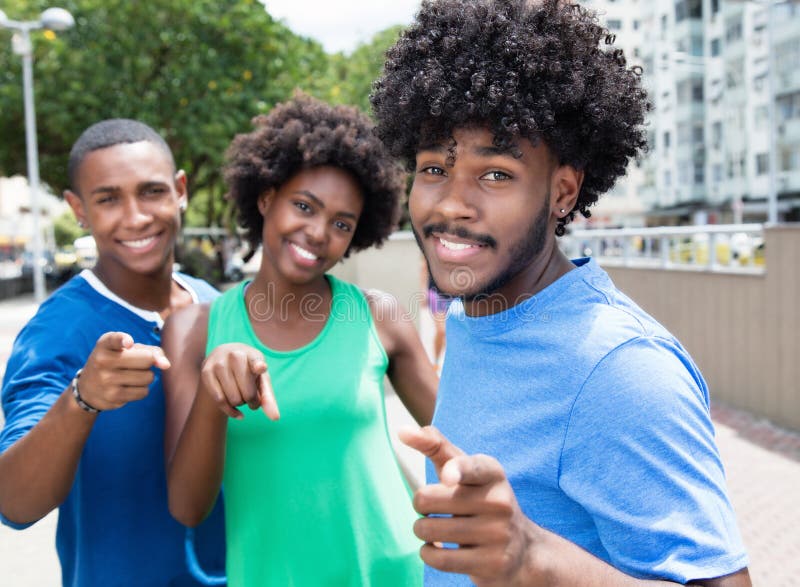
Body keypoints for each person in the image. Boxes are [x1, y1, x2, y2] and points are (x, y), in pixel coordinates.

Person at [370, 1, 751, 585]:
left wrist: (533, 557)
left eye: (496, 173)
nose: (451, 204)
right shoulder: (482, 313)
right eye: (433, 169)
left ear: (563, 191)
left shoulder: (620, 370)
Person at [163, 93, 438, 587]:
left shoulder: (379, 316)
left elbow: (460, 435)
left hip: (394, 569)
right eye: (304, 206)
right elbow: (187, 507)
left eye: (341, 224)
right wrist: (213, 391)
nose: (317, 233)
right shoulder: (195, 328)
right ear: (266, 198)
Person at [0, 119, 226, 586]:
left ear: (180, 190)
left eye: (151, 192)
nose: (136, 216)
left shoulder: (215, 304)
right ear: (77, 209)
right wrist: (82, 398)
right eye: (108, 199)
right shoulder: (56, 332)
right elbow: (14, 505)